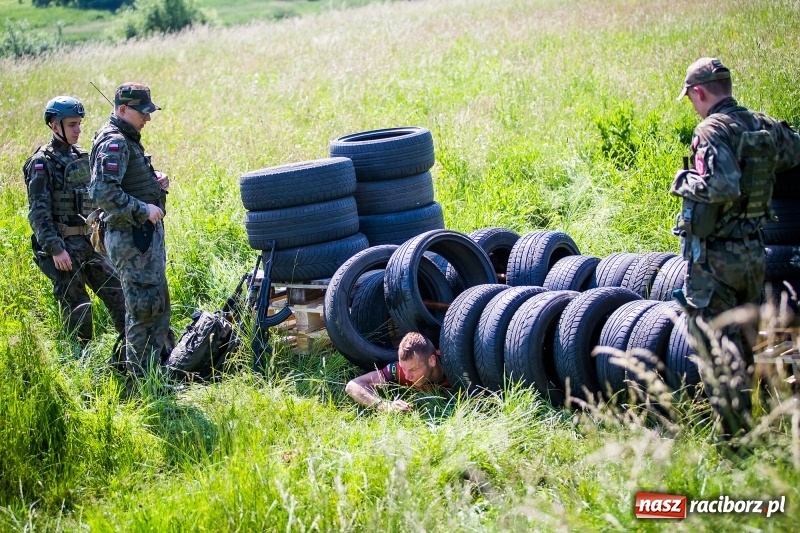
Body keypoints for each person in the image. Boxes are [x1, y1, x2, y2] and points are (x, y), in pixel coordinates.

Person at [671, 57, 800, 437]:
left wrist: (683, 181)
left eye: (690, 98)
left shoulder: (711, 130)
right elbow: (795, 153)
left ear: (698, 92)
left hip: (716, 259)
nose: (693, 105)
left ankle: (733, 441)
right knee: (749, 341)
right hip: (756, 253)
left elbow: (722, 186)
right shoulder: (762, 125)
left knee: (716, 347)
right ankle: (764, 421)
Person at [23, 95, 126, 346]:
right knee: (79, 308)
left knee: (120, 295)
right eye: (71, 124)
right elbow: (38, 213)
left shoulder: (81, 156)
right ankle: (81, 359)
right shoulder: (41, 163)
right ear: (54, 125)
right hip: (64, 248)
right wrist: (55, 249)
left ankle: (132, 352)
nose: (78, 130)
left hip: (89, 242)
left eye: (79, 123)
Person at [89, 83, 171, 377]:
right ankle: (141, 381)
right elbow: (102, 192)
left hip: (141, 239)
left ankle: (158, 371)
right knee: (143, 309)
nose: (147, 118)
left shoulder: (127, 138)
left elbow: (125, 181)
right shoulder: (115, 142)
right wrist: (143, 209)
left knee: (156, 304)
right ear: (123, 109)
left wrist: (154, 181)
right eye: (143, 112)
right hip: (131, 239)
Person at [345, 332, 449, 411]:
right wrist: (385, 406)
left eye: (413, 369)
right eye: (404, 368)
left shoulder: (454, 367)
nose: (407, 376)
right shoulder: (399, 370)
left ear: (432, 361)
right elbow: (353, 385)